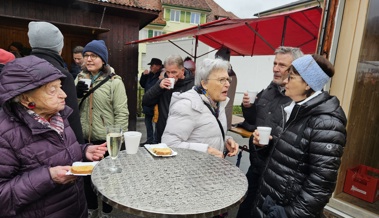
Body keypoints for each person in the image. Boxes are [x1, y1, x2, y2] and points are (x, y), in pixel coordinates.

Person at [0, 56, 107, 217]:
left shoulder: (58, 116)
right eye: (52, 90)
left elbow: (56, 152)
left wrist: (84, 151)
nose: (63, 95)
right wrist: (48, 177)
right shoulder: (5, 134)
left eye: (60, 87)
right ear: (25, 98)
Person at [251, 54, 347, 217]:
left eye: (292, 77)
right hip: (270, 202)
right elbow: (290, 158)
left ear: (308, 84)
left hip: (285, 210)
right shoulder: (294, 110)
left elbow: (321, 184)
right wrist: (263, 148)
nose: (285, 81)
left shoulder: (326, 123)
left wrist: (289, 214)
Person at [237, 46, 303, 218]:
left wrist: (271, 142)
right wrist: (248, 107)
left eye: (282, 65)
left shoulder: (297, 100)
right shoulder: (269, 90)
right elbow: (252, 121)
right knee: (244, 211)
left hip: (277, 177)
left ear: (295, 70)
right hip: (256, 166)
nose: (275, 68)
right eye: (274, 63)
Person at [75, 39, 129, 217]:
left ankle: (106, 211)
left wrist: (116, 140)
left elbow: (121, 113)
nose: (89, 59)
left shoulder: (114, 82)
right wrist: (75, 96)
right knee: (86, 178)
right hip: (84, 140)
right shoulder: (79, 78)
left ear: (103, 60)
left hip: (105, 140)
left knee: (107, 179)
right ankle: (92, 209)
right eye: (86, 56)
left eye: (94, 56)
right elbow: (70, 107)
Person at [162, 58, 239, 158]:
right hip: (189, 172)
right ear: (204, 84)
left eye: (227, 79)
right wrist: (206, 151)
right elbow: (169, 145)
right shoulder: (187, 106)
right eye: (221, 80)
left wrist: (225, 141)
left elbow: (205, 135)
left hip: (211, 170)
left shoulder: (217, 104)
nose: (228, 84)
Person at [27, 21, 85, 144]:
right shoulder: (61, 74)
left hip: (21, 140)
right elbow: (72, 117)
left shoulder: (19, 69)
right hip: (56, 142)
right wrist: (81, 148)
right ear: (59, 47)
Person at [142, 54, 194, 143]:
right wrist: (158, 87)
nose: (170, 76)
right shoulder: (162, 83)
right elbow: (145, 101)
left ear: (182, 70)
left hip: (184, 138)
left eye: (174, 72)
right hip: (162, 135)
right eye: (168, 72)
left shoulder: (192, 85)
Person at [140, 58, 163, 145]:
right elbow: (142, 84)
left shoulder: (162, 75)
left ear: (158, 66)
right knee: (148, 122)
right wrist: (144, 75)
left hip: (156, 103)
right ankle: (150, 140)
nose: (150, 67)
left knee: (157, 123)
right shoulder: (150, 75)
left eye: (152, 65)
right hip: (148, 103)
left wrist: (161, 79)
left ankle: (155, 140)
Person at [215, 47, 237, 130]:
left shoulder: (228, 73)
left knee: (226, 105)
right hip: (222, 108)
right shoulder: (229, 71)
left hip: (223, 108)